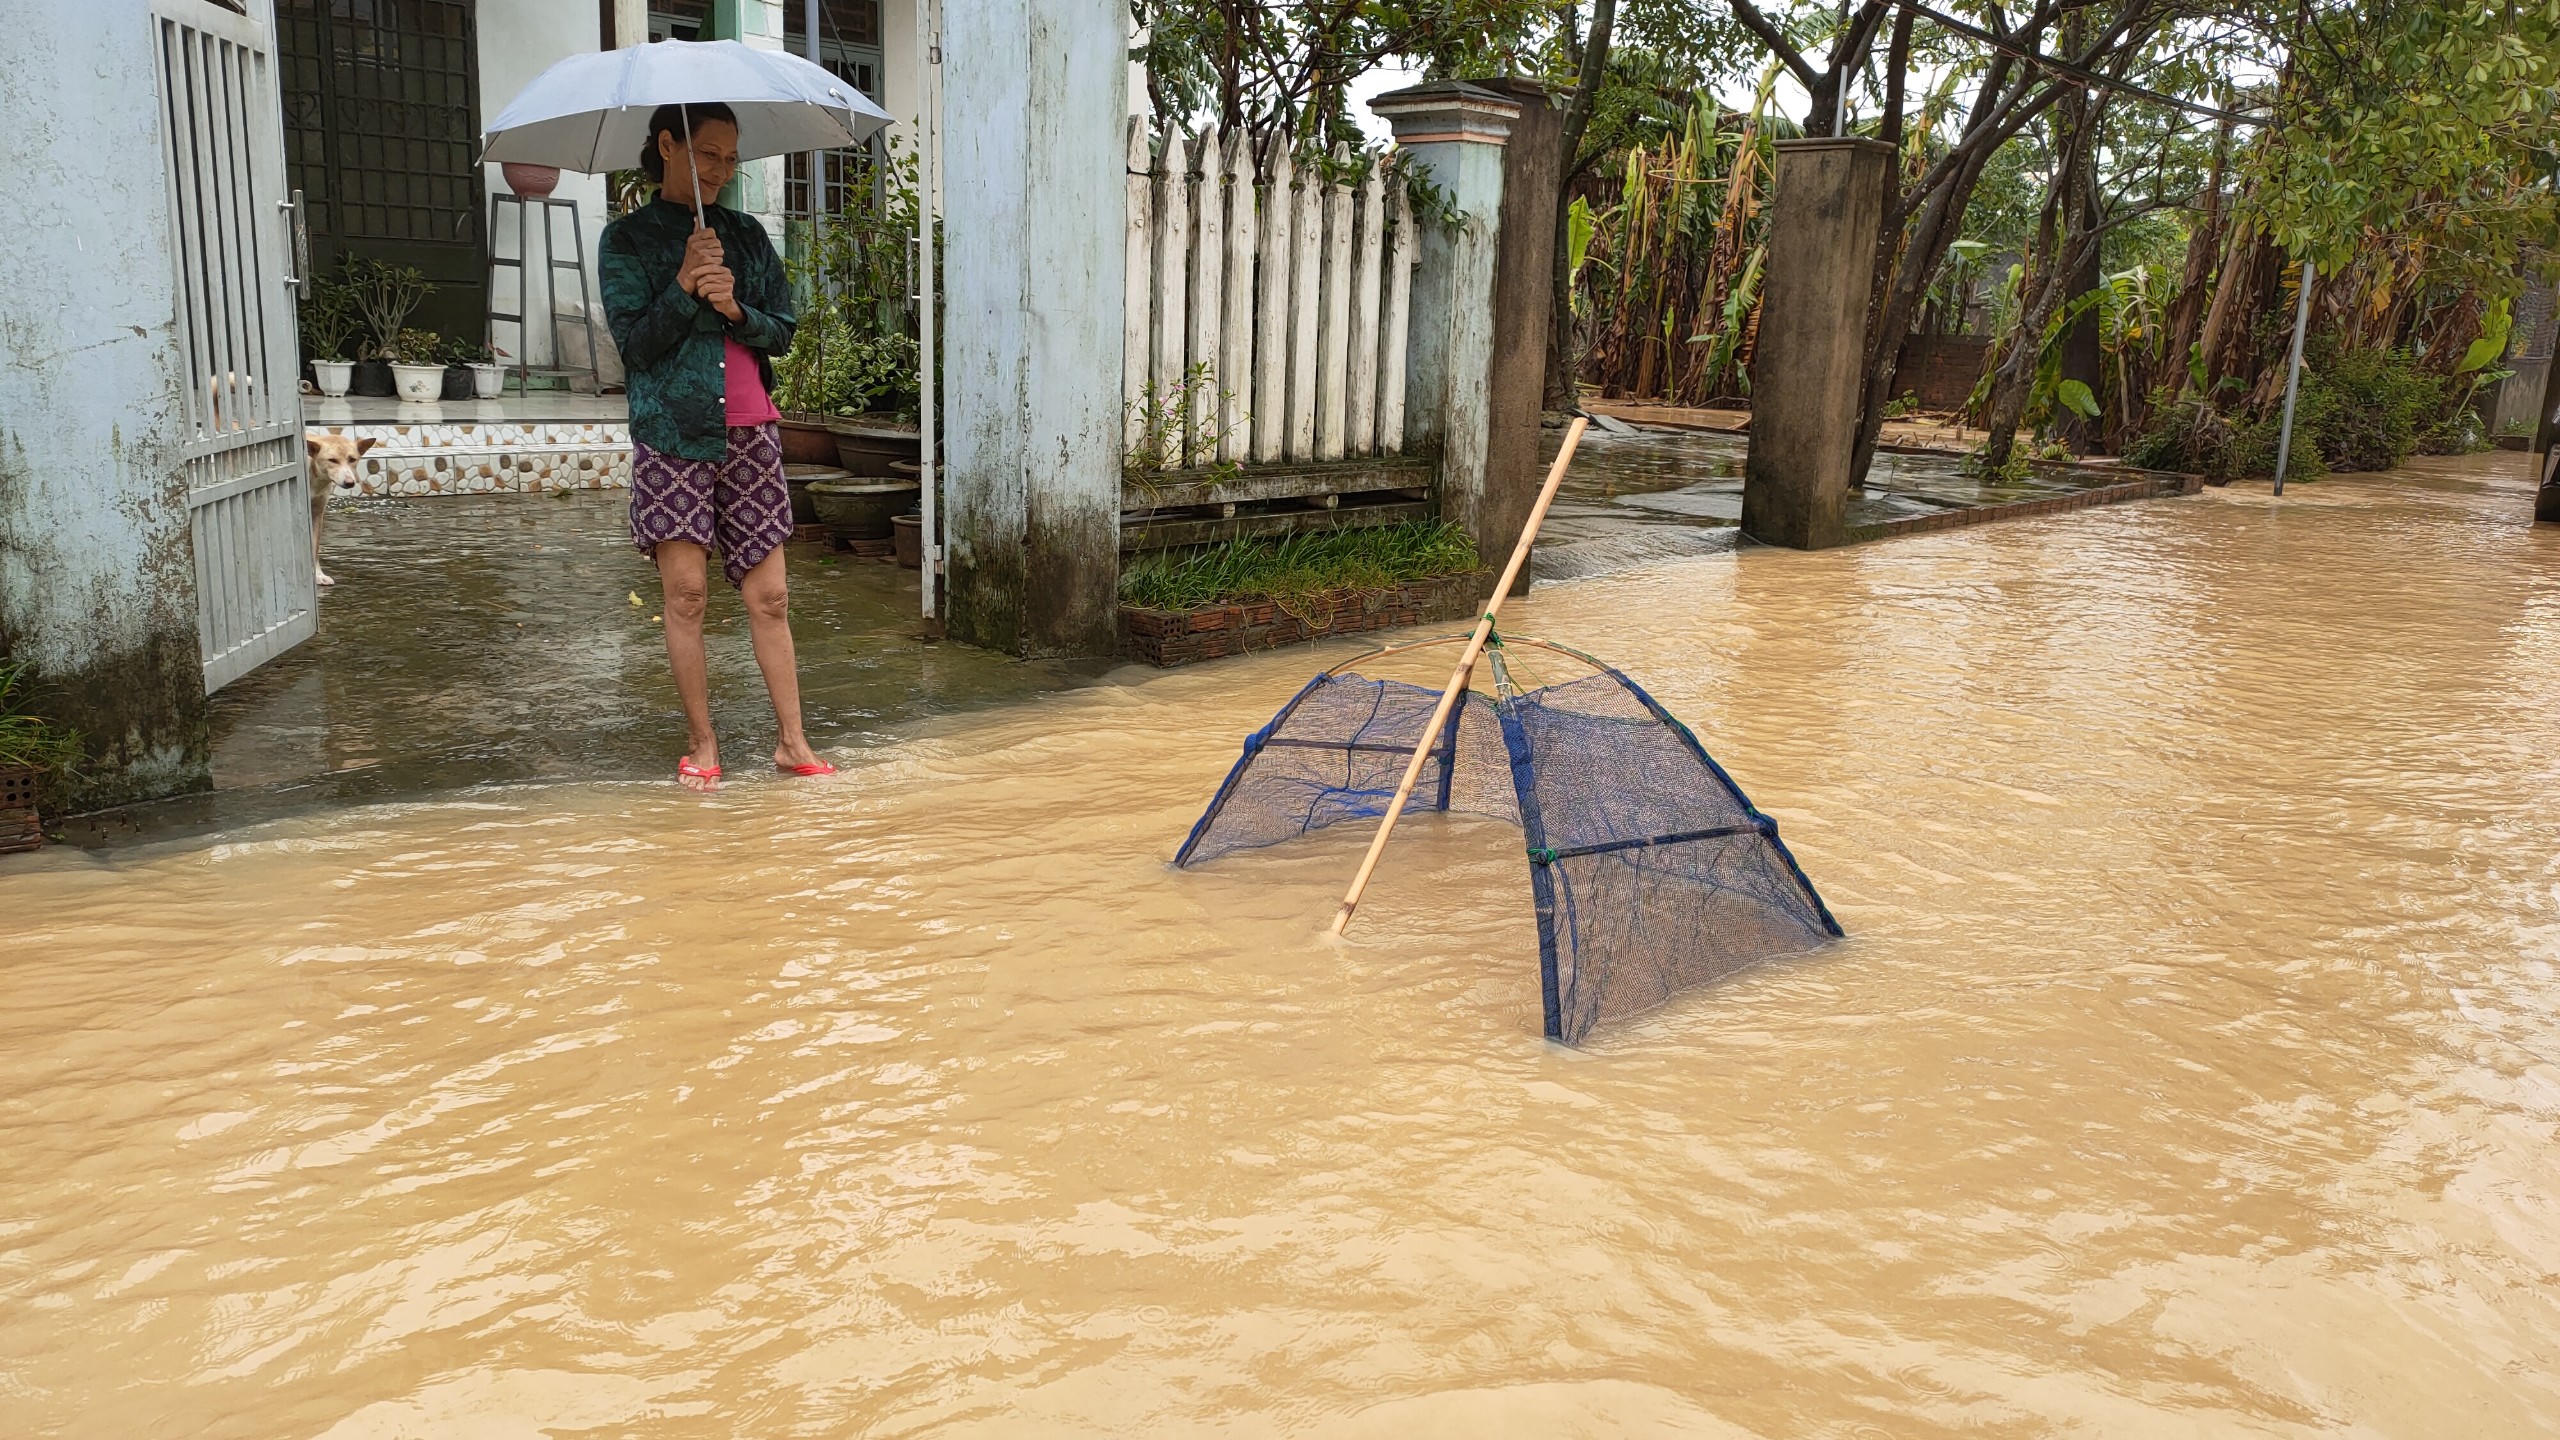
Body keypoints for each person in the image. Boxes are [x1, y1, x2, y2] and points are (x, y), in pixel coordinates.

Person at [599, 102, 833, 791]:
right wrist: (682, 285)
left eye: (731, 159)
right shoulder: (627, 240)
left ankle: (792, 741)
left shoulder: (746, 235)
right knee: (687, 595)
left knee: (772, 596)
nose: (722, 171)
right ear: (668, 145)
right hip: (673, 432)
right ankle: (702, 744)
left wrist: (734, 308)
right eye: (709, 154)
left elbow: (782, 329)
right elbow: (635, 347)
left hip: (752, 427)